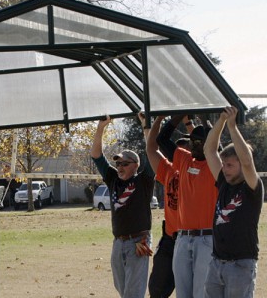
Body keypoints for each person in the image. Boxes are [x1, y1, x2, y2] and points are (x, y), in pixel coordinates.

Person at [90, 116, 154, 297]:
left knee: (133, 293)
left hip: (138, 241)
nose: (120, 167)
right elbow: (96, 155)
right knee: (122, 289)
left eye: (125, 164)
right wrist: (101, 127)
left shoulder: (144, 180)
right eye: (118, 163)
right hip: (118, 242)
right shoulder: (113, 179)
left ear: (135, 166)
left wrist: (145, 125)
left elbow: (152, 151)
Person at [203, 106, 264, 297]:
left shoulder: (252, 187)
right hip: (216, 263)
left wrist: (232, 126)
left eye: (230, 165)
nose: (225, 169)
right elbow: (209, 149)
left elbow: (247, 162)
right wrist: (221, 121)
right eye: (224, 164)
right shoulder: (223, 182)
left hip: (241, 265)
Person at [157, 115, 217, 298]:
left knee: (202, 292)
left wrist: (209, 125)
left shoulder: (216, 166)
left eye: (200, 142)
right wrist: (179, 115)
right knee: (183, 293)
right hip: (182, 239)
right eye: (193, 141)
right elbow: (161, 139)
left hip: (207, 239)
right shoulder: (183, 159)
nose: (194, 145)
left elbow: (216, 149)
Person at [140, 114, 193, 298]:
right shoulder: (169, 171)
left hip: (193, 240)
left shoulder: (201, 171)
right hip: (170, 239)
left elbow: (210, 147)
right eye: (176, 151)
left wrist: (188, 123)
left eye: (184, 151)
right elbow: (151, 147)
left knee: (192, 291)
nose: (179, 155)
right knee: (157, 289)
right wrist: (159, 118)